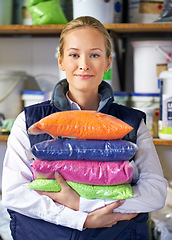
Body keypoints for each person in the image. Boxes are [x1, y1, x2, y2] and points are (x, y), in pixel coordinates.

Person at [2, 16, 167, 240]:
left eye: (95, 55)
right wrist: (82, 219)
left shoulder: (132, 122)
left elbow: (155, 192)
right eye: (74, 54)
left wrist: (82, 202)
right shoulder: (30, 121)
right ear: (61, 60)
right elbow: (14, 194)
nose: (84, 64)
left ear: (108, 62)